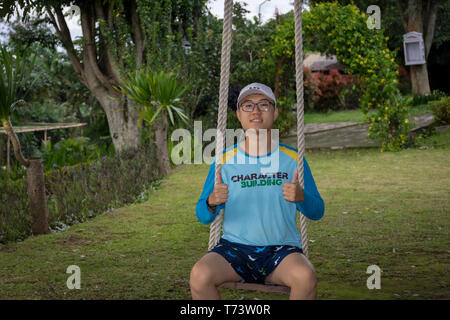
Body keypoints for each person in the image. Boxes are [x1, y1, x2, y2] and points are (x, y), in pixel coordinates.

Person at [190, 83, 325, 300]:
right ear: (238, 114)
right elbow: (202, 214)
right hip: (234, 250)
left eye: (264, 104)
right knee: (199, 275)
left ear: (275, 112)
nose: (255, 111)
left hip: (281, 252)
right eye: (248, 105)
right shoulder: (224, 161)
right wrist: (212, 202)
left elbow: (317, 211)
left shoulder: (293, 159)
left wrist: (301, 197)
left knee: (305, 276)